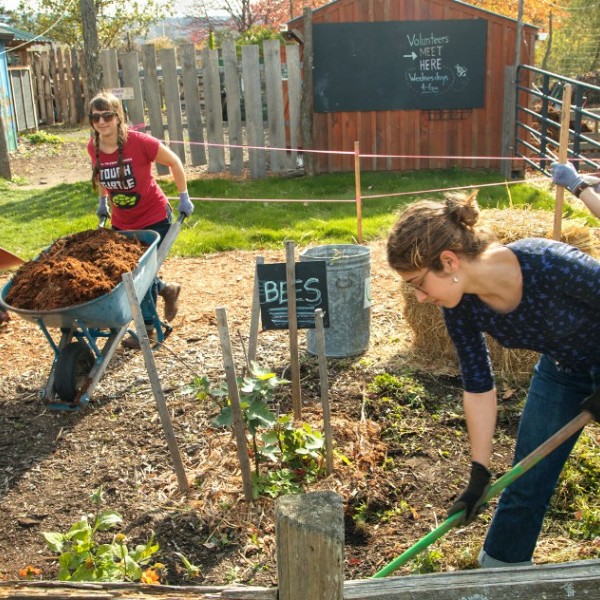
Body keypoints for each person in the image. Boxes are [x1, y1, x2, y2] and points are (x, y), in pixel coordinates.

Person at [386, 192, 600, 569]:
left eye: (419, 283)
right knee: (526, 481)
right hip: (561, 373)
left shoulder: (550, 265)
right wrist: (479, 472)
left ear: (449, 261)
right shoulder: (461, 305)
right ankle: (499, 575)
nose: (419, 298)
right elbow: (478, 385)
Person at [87, 91, 194, 348]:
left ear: (118, 117)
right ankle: (167, 288)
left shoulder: (140, 142)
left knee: (140, 275)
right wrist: (103, 201)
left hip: (155, 218)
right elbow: (101, 175)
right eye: (95, 117)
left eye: (107, 116)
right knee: (126, 271)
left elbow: (175, 162)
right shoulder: (94, 146)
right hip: (123, 222)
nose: (101, 122)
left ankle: (148, 329)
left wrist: (184, 196)